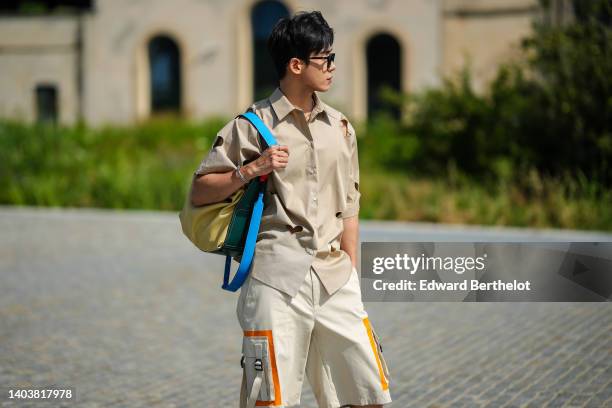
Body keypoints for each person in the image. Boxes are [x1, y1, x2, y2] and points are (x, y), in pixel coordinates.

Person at [190, 10, 391, 408]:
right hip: (275, 278)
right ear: (296, 65)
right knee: (272, 400)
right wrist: (252, 168)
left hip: (335, 278)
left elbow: (350, 207)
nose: (333, 68)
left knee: (369, 391)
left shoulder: (341, 127)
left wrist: (351, 273)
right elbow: (200, 191)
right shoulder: (250, 126)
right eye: (325, 59)